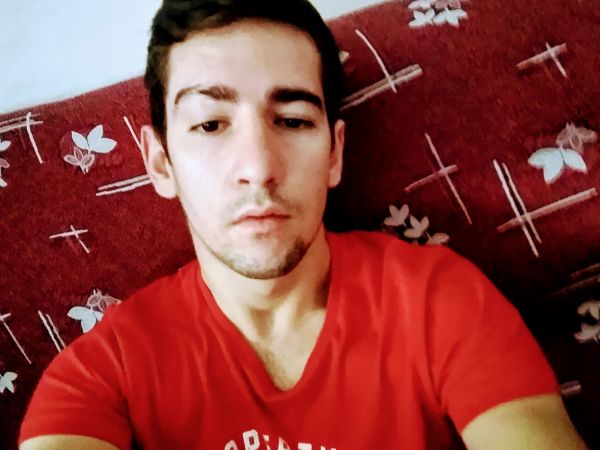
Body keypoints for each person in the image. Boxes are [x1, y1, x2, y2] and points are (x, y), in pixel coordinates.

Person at [19, 0, 588, 449]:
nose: (259, 167)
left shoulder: (439, 300)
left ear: (335, 154)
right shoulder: (100, 374)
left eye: (292, 120)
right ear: (160, 163)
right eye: (211, 125)